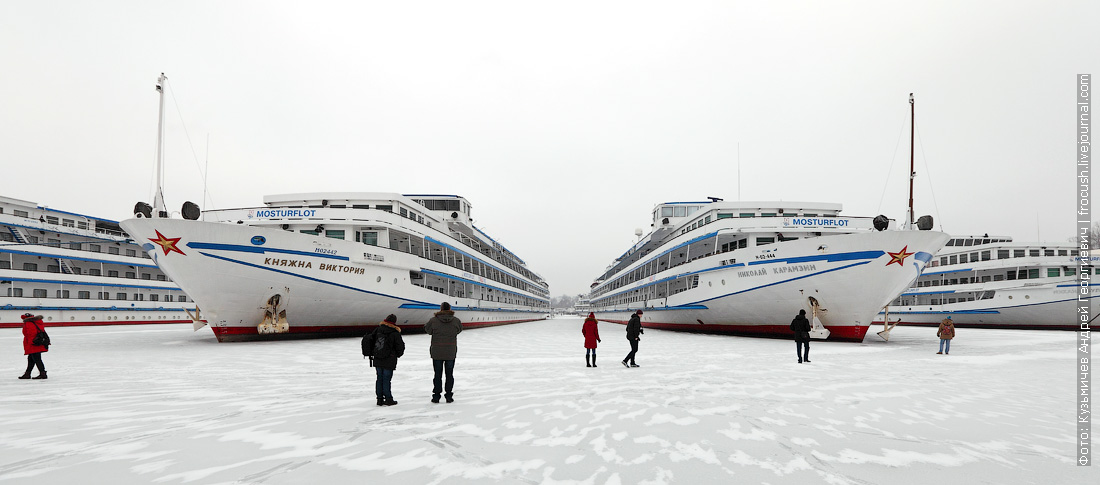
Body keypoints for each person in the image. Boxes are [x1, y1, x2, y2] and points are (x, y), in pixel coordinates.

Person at [425, 302, 462, 403]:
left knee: (437, 374)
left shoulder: (433, 320)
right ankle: (448, 395)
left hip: (437, 351)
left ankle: (436, 396)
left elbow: (428, 331)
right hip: (450, 351)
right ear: (450, 309)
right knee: (449, 374)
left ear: (440, 309)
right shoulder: (456, 321)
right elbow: (459, 330)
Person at [366, 314, 405, 406]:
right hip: (389, 359)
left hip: (378, 358)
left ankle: (379, 399)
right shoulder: (395, 333)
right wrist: (397, 355)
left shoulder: (378, 330)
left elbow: (371, 341)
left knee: (379, 378)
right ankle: (388, 399)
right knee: (387, 379)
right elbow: (400, 347)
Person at [19, 313, 48, 380]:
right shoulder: (37, 322)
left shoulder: (29, 323)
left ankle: (42, 373)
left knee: (37, 359)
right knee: (31, 359)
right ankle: (27, 373)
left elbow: (31, 334)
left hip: (34, 344)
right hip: (38, 342)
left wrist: (31, 343)